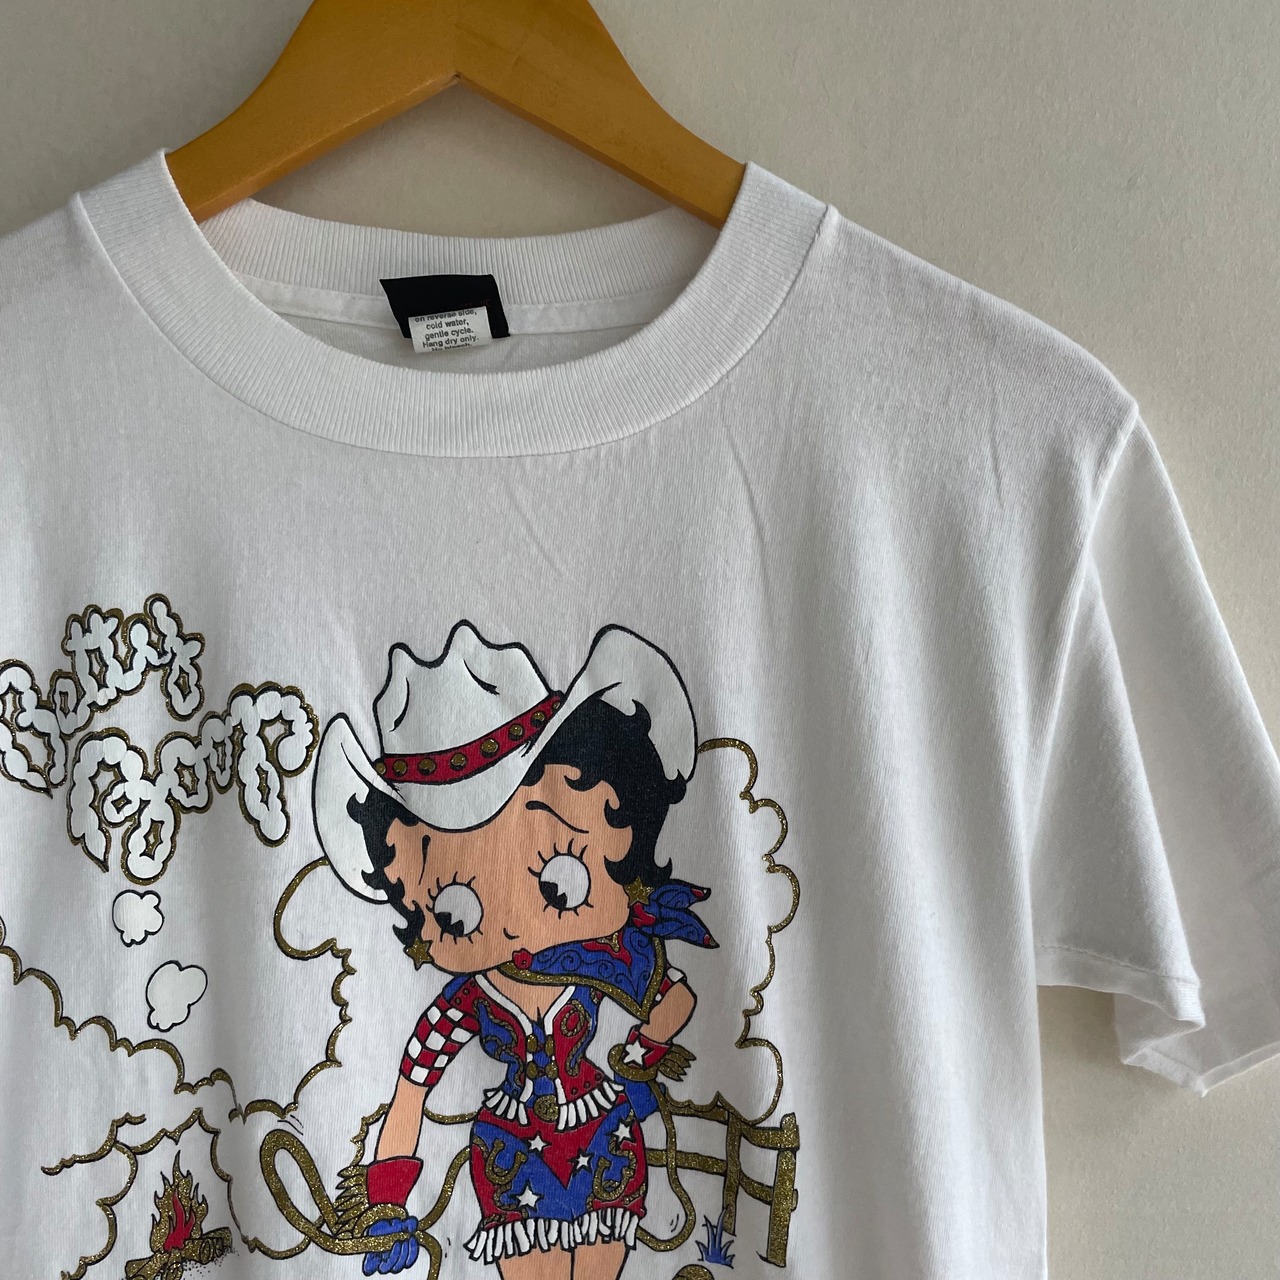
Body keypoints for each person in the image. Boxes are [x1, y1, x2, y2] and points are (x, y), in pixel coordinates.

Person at [312, 622, 716, 1277]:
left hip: (603, 1138)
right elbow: (411, 1090)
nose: (515, 924)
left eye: (560, 879)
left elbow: (674, 1000)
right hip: (511, 1159)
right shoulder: (463, 1003)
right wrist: (386, 1206)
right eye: (454, 908)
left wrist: (639, 1065)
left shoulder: (604, 959)